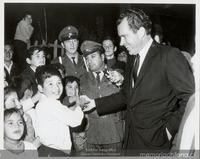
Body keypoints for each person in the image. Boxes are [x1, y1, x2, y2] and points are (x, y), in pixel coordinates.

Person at [81, 8, 195, 156]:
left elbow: (191, 98)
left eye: (124, 36)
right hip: (130, 139)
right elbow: (127, 95)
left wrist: (168, 130)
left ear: (141, 32)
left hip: (155, 143)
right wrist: (95, 103)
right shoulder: (132, 58)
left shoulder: (169, 55)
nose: (121, 43)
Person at [79, 40, 125, 155]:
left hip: (113, 133)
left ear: (103, 57)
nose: (89, 61)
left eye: (93, 56)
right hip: (91, 134)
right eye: (87, 58)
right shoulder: (82, 79)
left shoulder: (118, 75)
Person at [34, 65, 84, 157]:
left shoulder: (44, 102)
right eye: (50, 84)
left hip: (49, 151)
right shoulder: (50, 102)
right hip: (54, 153)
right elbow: (76, 120)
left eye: (59, 83)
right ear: (40, 88)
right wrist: (78, 105)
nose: (56, 87)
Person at [62, 76, 89, 155]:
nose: (73, 90)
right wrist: (78, 98)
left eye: (76, 87)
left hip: (81, 137)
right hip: (69, 137)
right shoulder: (64, 101)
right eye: (69, 87)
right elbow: (68, 100)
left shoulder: (80, 100)